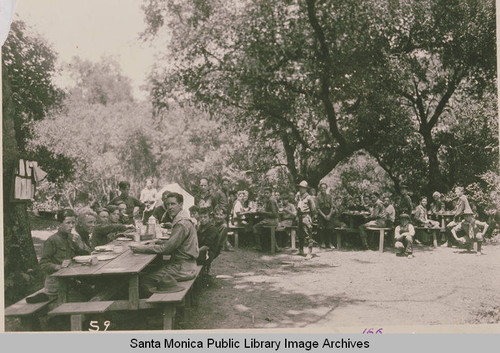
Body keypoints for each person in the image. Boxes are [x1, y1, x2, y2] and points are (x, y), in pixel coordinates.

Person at [130, 193, 199, 295]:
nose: (170, 207)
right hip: (187, 265)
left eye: (173, 204)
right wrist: (158, 242)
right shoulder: (183, 219)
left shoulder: (181, 223)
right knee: (151, 270)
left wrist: (141, 248)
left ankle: (156, 306)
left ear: (181, 204)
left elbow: (166, 249)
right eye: (168, 204)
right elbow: (177, 243)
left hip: (182, 268)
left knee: (144, 280)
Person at [39, 209, 89, 296]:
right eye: (68, 223)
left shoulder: (71, 238)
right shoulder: (52, 240)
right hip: (57, 284)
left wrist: (80, 243)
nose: (71, 226)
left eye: (73, 223)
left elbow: (86, 255)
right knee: (85, 296)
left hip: (70, 280)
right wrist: (59, 266)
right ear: (60, 223)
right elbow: (43, 264)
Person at [252, 187, 279, 252]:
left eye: (267, 193)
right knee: (261, 226)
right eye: (265, 193)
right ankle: (275, 247)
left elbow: (274, 214)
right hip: (272, 220)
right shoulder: (269, 201)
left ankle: (258, 246)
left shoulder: (271, 201)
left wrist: (263, 212)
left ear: (271, 194)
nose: (266, 194)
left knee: (255, 227)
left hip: (272, 221)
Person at [296, 181, 316, 258]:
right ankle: (300, 250)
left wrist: (310, 218)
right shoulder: (299, 197)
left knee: (308, 235)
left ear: (305, 189)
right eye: (300, 187)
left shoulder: (309, 197)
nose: (300, 189)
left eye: (302, 188)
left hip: (306, 216)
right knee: (300, 234)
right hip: (300, 217)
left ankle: (309, 253)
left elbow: (313, 209)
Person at [316, 182, 335, 249]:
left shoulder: (329, 196)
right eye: (322, 188)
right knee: (321, 228)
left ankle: (329, 243)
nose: (323, 189)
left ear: (326, 188)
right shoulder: (318, 197)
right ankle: (322, 243)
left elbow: (332, 207)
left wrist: (329, 215)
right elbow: (318, 208)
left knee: (329, 228)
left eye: (324, 188)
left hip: (329, 213)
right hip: (321, 214)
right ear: (320, 189)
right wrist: (324, 216)